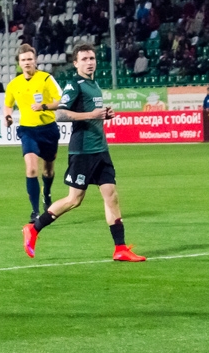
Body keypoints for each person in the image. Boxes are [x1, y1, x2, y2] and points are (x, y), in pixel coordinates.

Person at [22, 45, 145, 262]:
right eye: (85, 59)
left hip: (100, 149)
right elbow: (60, 114)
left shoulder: (94, 85)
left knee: (111, 195)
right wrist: (91, 115)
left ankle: (120, 248)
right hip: (82, 151)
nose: (90, 62)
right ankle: (33, 228)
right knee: (74, 200)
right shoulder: (74, 84)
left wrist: (103, 115)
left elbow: (92, 113)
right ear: (76, 63)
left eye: (92, 58)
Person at [3, 44, 63, 223]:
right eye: (23, 60)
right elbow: (8, 105)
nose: (27, 62)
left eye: (30, 59)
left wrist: (43, 106)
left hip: (48, 129)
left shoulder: (46, 79)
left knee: (48, 170)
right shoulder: (14, 84)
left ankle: (47, 192)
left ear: (35, 60)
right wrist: (7, 116)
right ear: (19, 63)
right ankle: (35, 211)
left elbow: (61, 101)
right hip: (27, 130)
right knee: (31, 168)